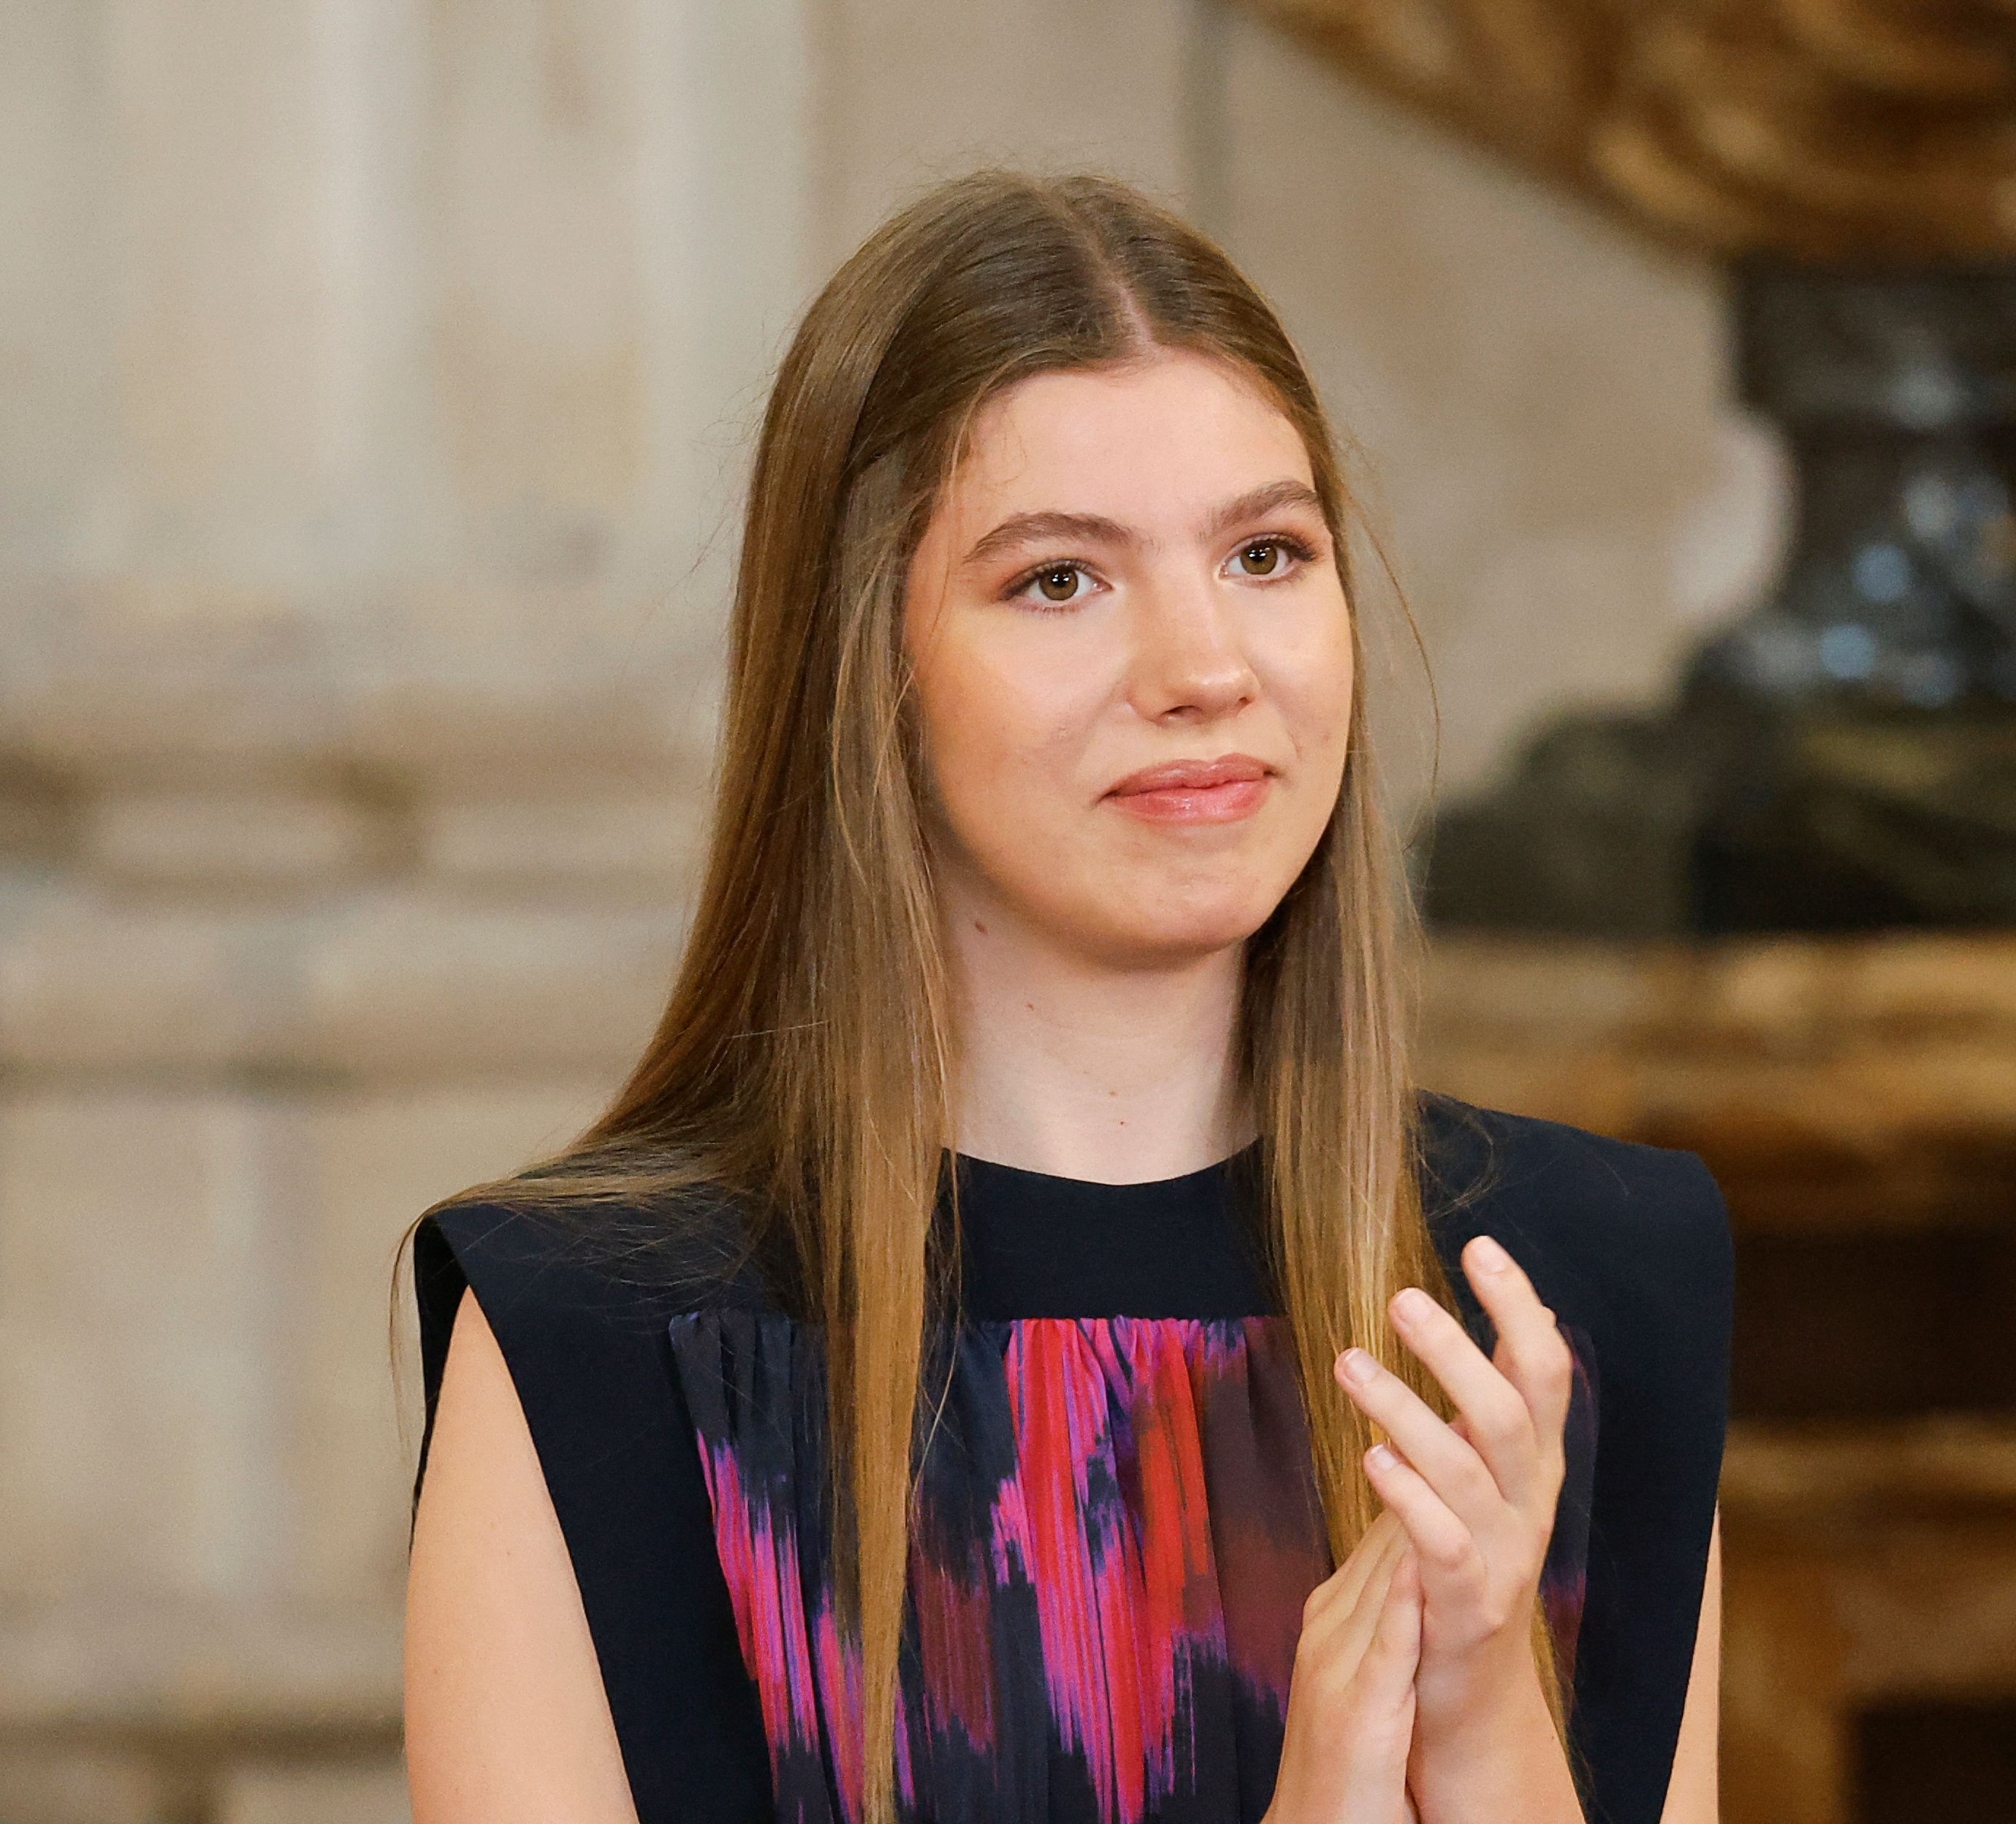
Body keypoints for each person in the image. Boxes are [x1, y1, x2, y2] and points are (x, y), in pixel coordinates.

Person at [400, 167, 1732, 1824]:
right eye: (1058, 580)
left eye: (1266, 551)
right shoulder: (590, 1333)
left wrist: (1481, 1744)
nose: (1202, 669)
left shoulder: (1568, 1295)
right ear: (864, 672)